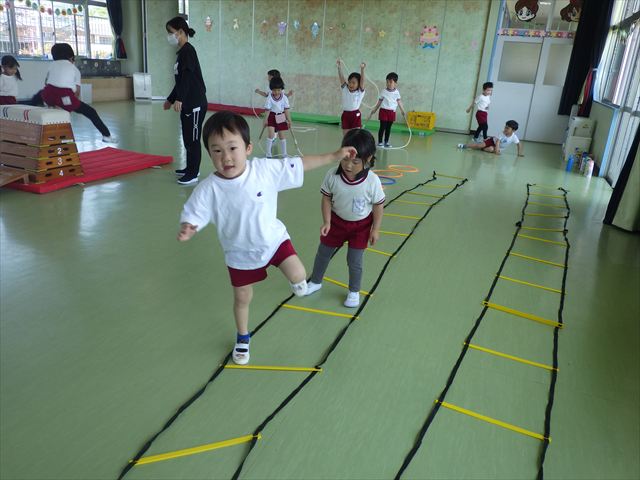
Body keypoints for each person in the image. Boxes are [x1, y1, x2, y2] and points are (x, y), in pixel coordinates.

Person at [177, 111, 357, 365]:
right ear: (209, 153)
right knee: (242, 298)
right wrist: (189, 226)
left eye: (232, 148)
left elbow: (300, 164)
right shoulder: (209, 188)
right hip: (239, 254)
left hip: (273, 241)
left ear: (248, 148)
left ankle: (296, 282)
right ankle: (242, 337)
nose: (226, 157)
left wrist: (333, 156)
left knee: (299, 275)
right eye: (217, 151)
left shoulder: (264, 170)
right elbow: (195, 211)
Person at [305, 129, 384, 308]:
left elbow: (378, 206)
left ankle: (354, 291)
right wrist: (327, 221)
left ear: (368, 159)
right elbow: (326, 198)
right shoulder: (332, 175)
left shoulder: (372, 181)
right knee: (323, 253)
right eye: (345, 159)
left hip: (361, 227)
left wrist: (376, 229)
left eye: (355, 162)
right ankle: (315, 281)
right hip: (336, 222)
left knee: (354, 260)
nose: (348, 165)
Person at [39, 43, 117, 143]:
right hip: (64, 96)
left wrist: (53, 103)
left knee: (54, 112)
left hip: (47, 94)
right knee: (91, 112)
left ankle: (51, 136)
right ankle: (106, 136)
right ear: (71, 57)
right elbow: (77, 92)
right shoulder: (74, 69)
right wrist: (70, 105)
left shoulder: (52, 65)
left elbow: (46, 83)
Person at [164, 16, 208, 186]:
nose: (169, 36)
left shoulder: (188, 51)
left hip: (195, 103)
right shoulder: (182, 53)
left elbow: (188, 77)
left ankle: (193, 173)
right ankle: (190, 168)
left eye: (171, 32)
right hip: (188, 104)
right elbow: (180, 81)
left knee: (193, 139)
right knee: (188, 137)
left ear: (181, 32)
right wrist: (170, 99)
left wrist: (180, 99)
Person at [370, 72, 406, 148]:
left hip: (392, 112)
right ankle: (380, 142)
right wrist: (375, 109)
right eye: (387, 82)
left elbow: (399, 102)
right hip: (383, 111)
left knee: (388, 128)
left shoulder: (397, 92)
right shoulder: (383, 91)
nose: (388, 84)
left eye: (391, 82)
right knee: (382, 127)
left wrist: (402, 110)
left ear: (395, 83)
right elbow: (379, 102)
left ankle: (386, 142)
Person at [457, 120, 524, 157]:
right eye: (505, 127)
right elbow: (497, 142)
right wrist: (496, 151)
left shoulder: (514, 137)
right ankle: (465, 146)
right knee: (479, 145)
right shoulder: (502, 133)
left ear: (513, 130)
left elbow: (519, 144)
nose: (505, 129)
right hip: (492, 141)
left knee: (490, 149)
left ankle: (482, 148)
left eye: (507, 128)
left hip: (499, 147)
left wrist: (519, 153)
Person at [264, 76, 292, 157]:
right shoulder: (269, 98)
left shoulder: (284, 98)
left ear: (282, 89)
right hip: (271, 116)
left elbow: (286, 110)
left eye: (278, 90)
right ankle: (268, 153)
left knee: (281, 135)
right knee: (271, 134)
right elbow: (267, 110)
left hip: (280, 116)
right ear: (271, 89)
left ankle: (284, 153)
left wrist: (289, 120)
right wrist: (265, 120)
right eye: (274, 90)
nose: (276, 92)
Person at [337, 59, 366, 136]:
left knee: (355, 135)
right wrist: (339, 67)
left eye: (353, 83)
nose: (351, 84)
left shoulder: (360, 92)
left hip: (355, 115)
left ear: (358, 84)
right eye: (349, 82)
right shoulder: (345, 89)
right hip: (345, 115)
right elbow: (341, 78)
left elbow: (362, 81)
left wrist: (362, 69)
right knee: (346, 135)